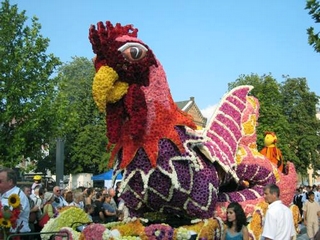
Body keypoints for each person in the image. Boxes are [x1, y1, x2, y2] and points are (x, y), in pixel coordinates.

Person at [0, 167, 31, 238]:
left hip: (17, 235)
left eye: (0, 181)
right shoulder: (3, 193)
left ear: (10, 182)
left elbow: (7, 215)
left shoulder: (17, 195)